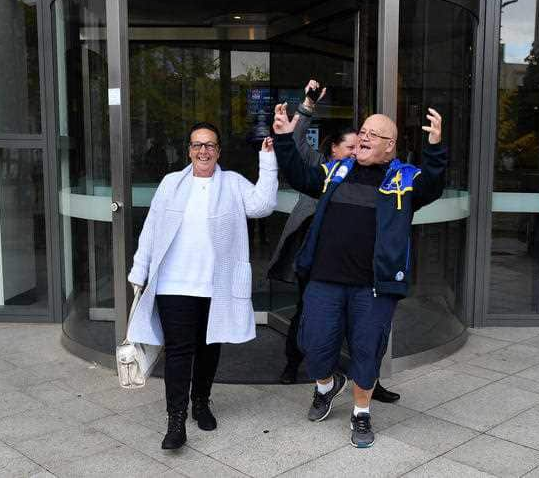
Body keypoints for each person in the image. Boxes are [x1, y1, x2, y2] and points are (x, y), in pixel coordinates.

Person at [272, 100, 446, 448]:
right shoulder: (335, 171)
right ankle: (326, 385)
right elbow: (300, 175)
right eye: (362, 131)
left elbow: (434, 184)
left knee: (367, 352)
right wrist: (285, 140)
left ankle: (361, 413)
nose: (363, 137)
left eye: (373, 134)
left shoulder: (405, 179)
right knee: (314, 345)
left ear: (389, 144)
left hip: (373, 287)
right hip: (324, 279)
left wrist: (435, 149)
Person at [127, 122, 278, 450]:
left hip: (215, 286)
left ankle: (201, 402)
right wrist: (140, 270)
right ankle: (176, 421)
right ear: (189, 151)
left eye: (209, 145)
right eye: (197, 145)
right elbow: (152, 229)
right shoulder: (171, 184)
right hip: (173, 284)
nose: (203, 151)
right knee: (179, 352)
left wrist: (267, 161)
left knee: (209, 348)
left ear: (218, 152)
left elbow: (263, 206)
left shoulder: (233, 184)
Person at [266, 80, 400, 404]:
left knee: (364, 329)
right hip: (315, 260)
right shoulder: (322, 168)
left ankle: (367, 382)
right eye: (351, 147)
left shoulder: (375, 175)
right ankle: (302, 371)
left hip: (359, 272)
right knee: (311, 322)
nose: (358, 151)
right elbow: (295, 144)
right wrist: (307, 106)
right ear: (334, 150)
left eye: (362, 145)